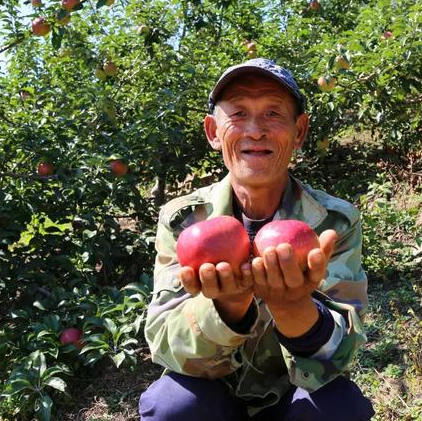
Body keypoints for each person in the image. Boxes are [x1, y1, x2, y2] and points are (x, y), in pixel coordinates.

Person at [139, 58, 374, 421]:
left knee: (339, 408)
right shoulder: (183, 221)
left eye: (273, 113)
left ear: (299, 132)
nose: (255, 130)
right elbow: (165, 343)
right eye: (238, 113)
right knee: (172, 405)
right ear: (213, 132)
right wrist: (228, 309)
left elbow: (343, 353)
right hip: (215, 389)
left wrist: (294, 309)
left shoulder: (333, 223)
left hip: (294, 390)